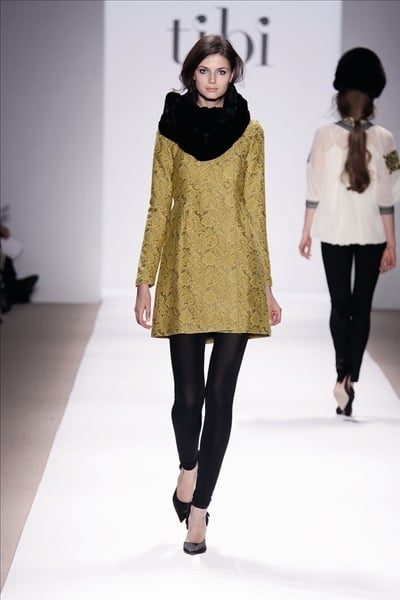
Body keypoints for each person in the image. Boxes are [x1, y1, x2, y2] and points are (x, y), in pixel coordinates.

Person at [134, 34, 281, 555]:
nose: (213, 80)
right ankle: (188, 468)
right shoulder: (170, 128)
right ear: (191, 73)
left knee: (220, 398)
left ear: (233, 73)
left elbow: (255, 208)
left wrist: (266, 285)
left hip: (237, 271)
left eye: (222, 71)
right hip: (185, 267)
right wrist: (144, 279)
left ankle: (199, 512)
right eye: (204, 70)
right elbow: (159, 205)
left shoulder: (251, 130)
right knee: (188, 400)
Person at [299, 47, 399, 417]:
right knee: (362, 307)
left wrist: (306, 231)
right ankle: (351, 378)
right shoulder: (387, 140)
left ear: (339, 97)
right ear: (373, 98)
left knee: (339, 306)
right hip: (373, 233)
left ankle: (341, 372)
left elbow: (312, 187)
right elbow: (391, 193)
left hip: (333, 231)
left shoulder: (323, 135)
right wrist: (392, 242)